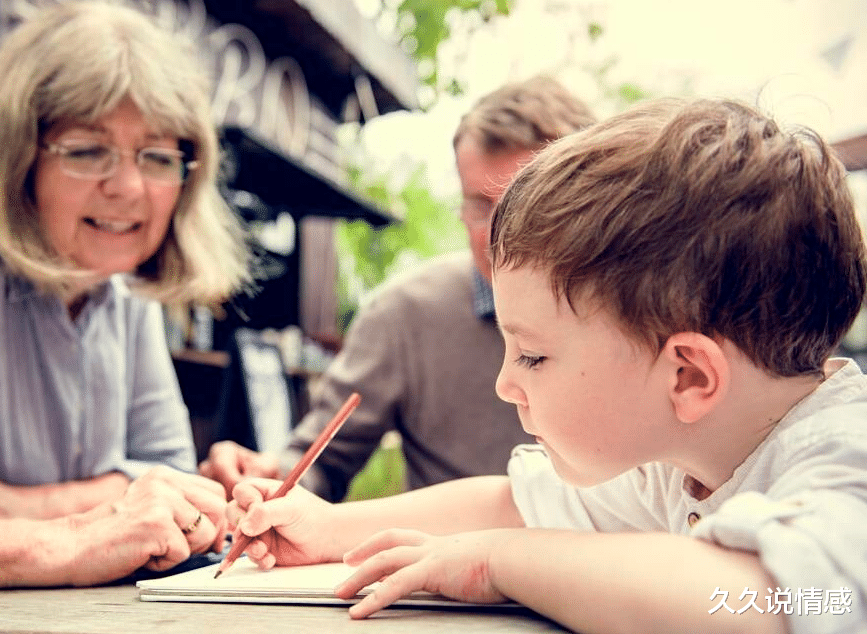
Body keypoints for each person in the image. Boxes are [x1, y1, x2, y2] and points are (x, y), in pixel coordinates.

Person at [226, 98, 867, 634]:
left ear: (689, 377)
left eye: (532, 354)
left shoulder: (845, 466)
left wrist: (497, 564)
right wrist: (329, 527)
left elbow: (772, 602)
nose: (506, 383)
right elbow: (515, 504)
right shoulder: (686, 464)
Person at [0, 0, 249, 591]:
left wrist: (41, 506)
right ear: (15, 158)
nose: (126, 187)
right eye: (87, 150)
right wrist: (69, 540)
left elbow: (168, 482)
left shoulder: (120, 284)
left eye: (157, 157)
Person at [200, 76, 596, 502]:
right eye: (481, 206)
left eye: (527, 203)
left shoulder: (642, 306)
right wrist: (265, 483)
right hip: (447, 555)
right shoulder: (405, 314)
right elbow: (317, 464)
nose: (502, 233)